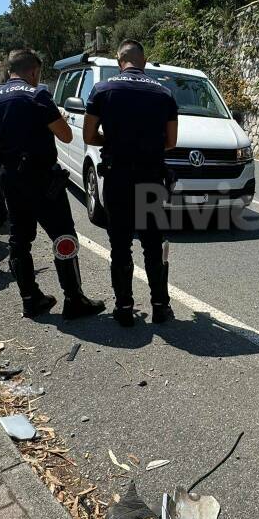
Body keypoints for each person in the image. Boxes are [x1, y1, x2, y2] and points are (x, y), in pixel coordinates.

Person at [0, 49, 104, 320]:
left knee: (19, 239)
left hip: (11, 180)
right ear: (34, 71)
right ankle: (74, 299)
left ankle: (30, 299)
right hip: (42, 180)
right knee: (63, 236)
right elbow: (64, 134)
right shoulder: (38, 96)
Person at [83, 40, 177, 326]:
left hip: (117, 177)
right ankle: (160, 306)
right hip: (150, 177)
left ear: (119, 61)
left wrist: (111, 142)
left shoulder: (102, 90)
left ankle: (124, 308)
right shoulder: (164, 93)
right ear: (144, 61)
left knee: (120, 245)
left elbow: (89, 136)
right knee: (152, 243)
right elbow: (171, 143)